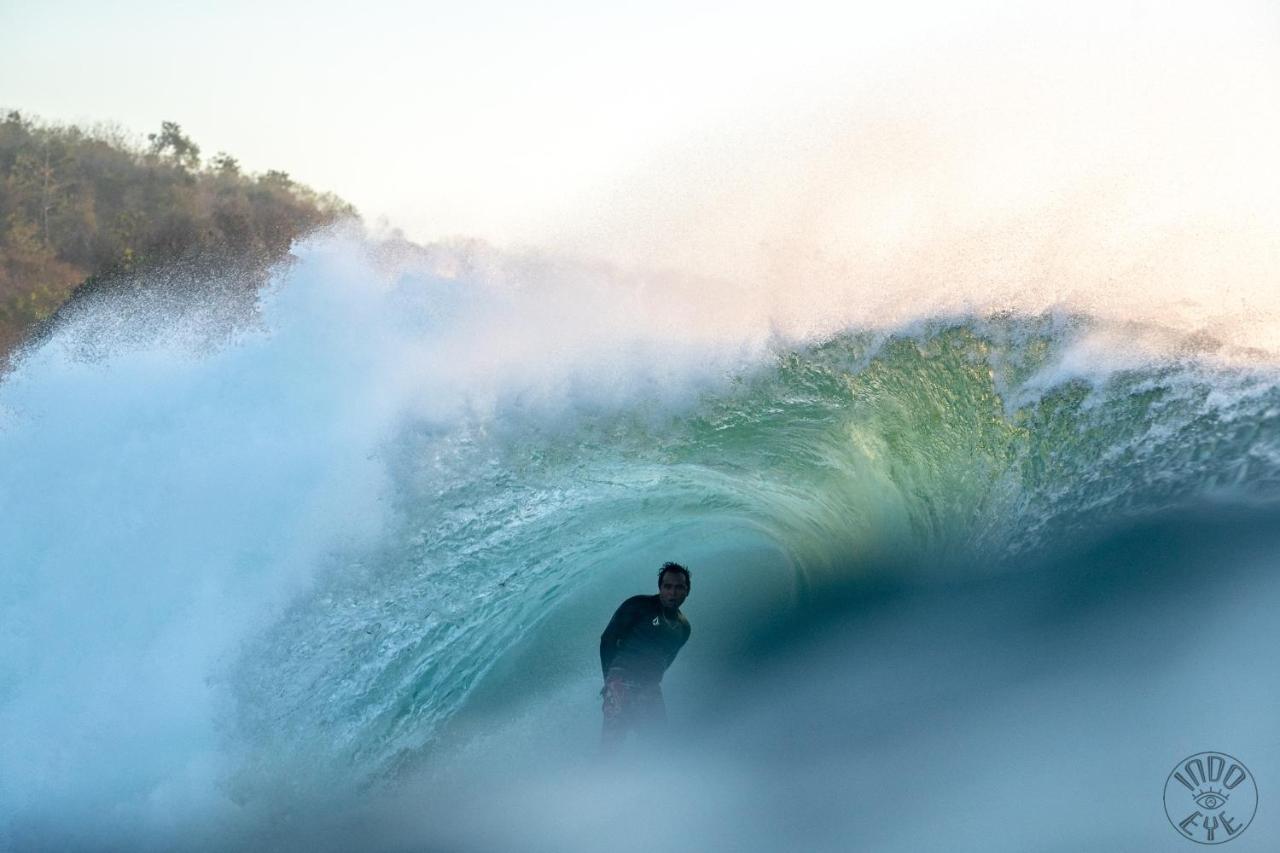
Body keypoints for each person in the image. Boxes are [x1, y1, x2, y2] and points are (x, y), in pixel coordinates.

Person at [598, 561, 692, 753]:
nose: (672, 593)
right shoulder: (639, 605)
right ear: (660, 588)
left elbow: (668, 659)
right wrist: (608, 679)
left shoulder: (683, 628)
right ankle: (599, 778)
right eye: (667, 587)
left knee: (657, 742)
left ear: (687, 591)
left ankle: (644, 780)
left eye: (679, 587)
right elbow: (607, 639)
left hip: (649, 685)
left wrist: (653, 678)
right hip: (621, 678)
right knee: (613, 740)